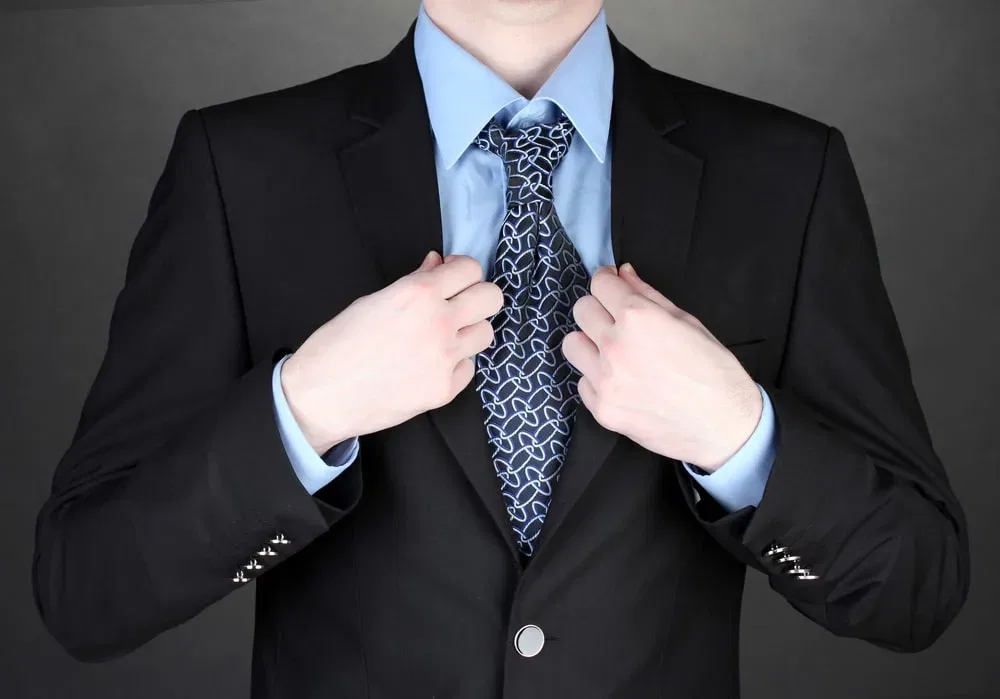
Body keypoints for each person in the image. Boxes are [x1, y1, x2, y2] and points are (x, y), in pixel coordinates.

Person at [32, 0, 970, 697]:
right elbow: (87, 591)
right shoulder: (236, 168)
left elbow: (915, 588)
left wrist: (740, 435)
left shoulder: (786, 175)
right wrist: (304, 408)